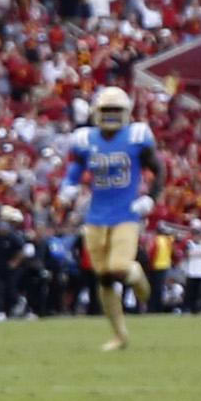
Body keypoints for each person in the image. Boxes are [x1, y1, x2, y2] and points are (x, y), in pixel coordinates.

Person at [57, 84, 160, 352]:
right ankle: (119, 335)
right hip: (95, 217)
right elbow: (76, 168)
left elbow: (158, 169)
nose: (112, 114)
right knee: (103, 276)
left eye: (116, 109)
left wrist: (150, 198)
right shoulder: (86, 139)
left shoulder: (137, 136)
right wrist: (68, 186)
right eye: (107, 110)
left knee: (119, 267)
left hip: (126, 214)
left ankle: (138, 278)